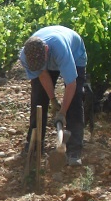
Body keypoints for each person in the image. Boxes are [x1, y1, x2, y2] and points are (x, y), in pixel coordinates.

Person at [19, 25, 87, 166]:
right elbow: (43, 74)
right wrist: (53, 100)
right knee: (38, 98)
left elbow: (71, 84)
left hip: (75, 54)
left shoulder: (61, 49)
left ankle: (74, 150)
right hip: (50, 57)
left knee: (75, 101)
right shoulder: (25, 56)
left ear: (46, 51)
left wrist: (62, 112)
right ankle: (35, 144)